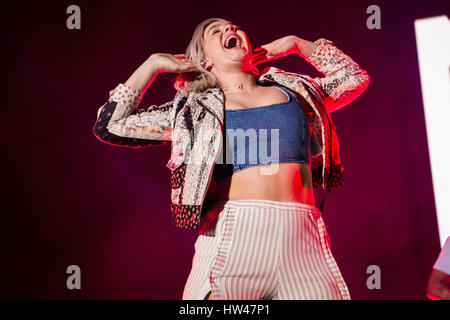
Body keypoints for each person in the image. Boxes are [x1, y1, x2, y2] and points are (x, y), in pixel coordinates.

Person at [93, 17, 370, 300]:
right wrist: (153, 64)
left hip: (302, 237)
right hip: (233, 232)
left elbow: (354, 78)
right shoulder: (192, 111)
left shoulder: (297, 90)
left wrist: (296, 44)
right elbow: (110, 125)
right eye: (216, 32)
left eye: (235, 26)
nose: (231, 30)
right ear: (205, 61)